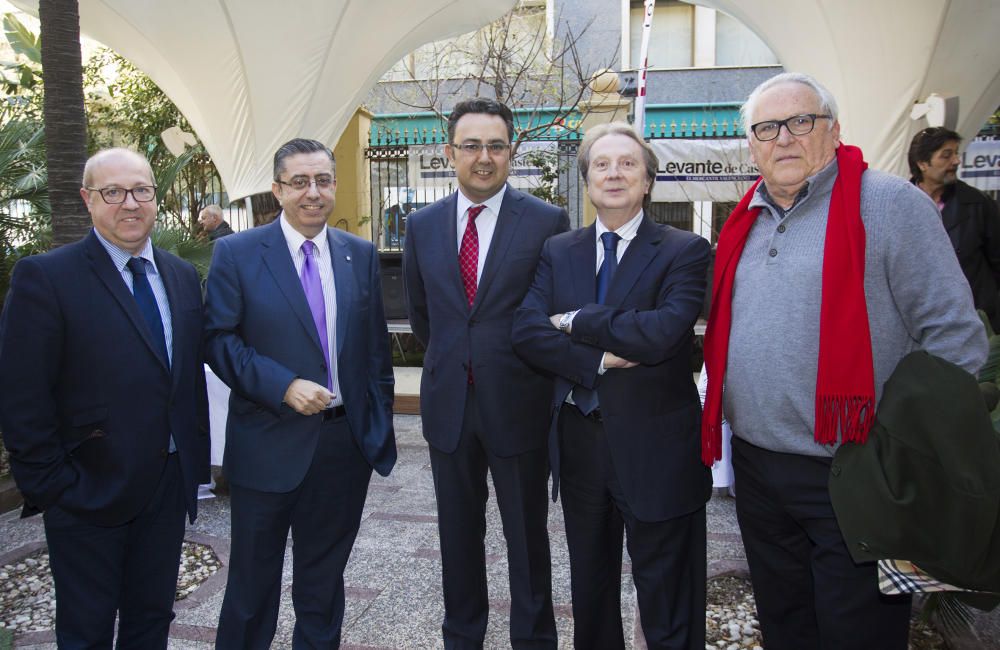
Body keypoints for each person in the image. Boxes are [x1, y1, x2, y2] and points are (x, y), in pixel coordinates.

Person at [701, 72, 988, 650]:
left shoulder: (890, 205)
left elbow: (957, 338)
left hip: (853, 469)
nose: (784, 138)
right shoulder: (744, 220)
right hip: (758, 469)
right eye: (766, 128)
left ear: (834, 131)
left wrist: (899, 446)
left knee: (857, 633)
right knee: (787, 625)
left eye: (800, 122)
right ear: (751, 144)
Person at [511, 122, 710, 650]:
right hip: (579, 444)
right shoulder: (559, 250)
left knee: (667, 598)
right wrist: (600, 357)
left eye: (627, 164)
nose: (614, 173)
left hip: (657, 448)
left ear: (647, 181)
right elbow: (526, 330)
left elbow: (663, 333)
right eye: (602, 164)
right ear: (588, 180)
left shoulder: (684, 250)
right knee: (591, 593)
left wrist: (576, 319)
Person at [0, 148, 209, 648]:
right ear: (87, 200)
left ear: (156, 198)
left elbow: (180, 376)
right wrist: (54, 486)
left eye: (141, 190)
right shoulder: (47, 277)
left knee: (151, 621)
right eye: (112, 192)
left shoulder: (180, 275)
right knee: (86, 631)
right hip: (87, 491)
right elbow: (21, 395)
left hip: (166, 486)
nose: (129, 203)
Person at [204, 138, 396, 648]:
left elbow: (375, 352)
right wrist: (282, 385)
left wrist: (373, 427)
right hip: (267, 442)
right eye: (300, 182)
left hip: (341, 449)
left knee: (323, 586)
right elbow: (217, 340)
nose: (313, 193)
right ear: (277, 190)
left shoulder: (359, 255)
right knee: (251, 588)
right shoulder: (236, 253)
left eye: (323, 180)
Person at [402, 97, 569, 649]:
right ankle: (463, 636)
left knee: (526, 537)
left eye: (496, 145)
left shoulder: (547, 221)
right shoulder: (422, 225)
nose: (483, 157)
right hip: (449, 403)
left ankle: (535, 639)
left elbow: (551, 316)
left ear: (511, 151)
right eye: (471, 145)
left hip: (519, 403)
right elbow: (424, 314)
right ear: (449, 152)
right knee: (457, 536)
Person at [908, 126, 1000, 330]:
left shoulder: (977, 203)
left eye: (956, 153)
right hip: (920, 322)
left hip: (974, 321)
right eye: (946, 155)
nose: (956, 161)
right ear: (922, 163)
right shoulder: (897, 205)